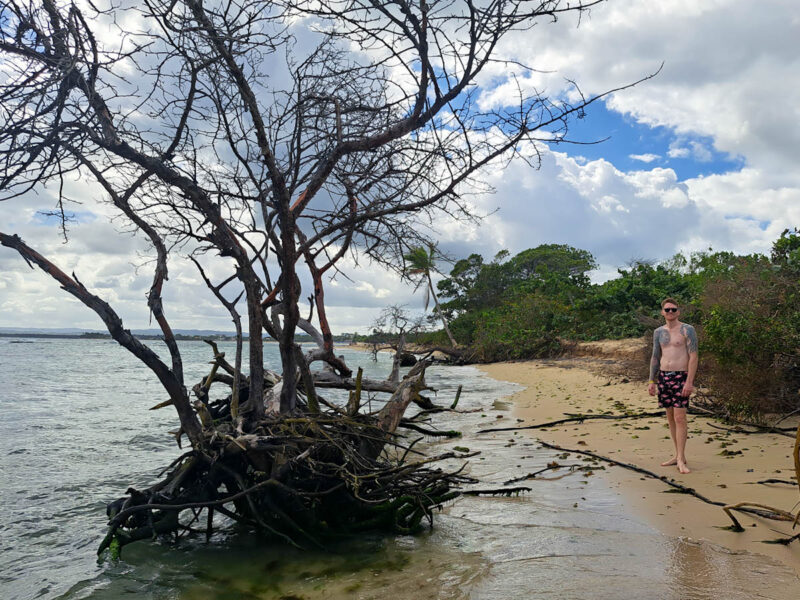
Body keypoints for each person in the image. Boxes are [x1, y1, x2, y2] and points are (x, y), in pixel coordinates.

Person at [648, 298, 698, 474]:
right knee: (670, 418)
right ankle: (678, 456)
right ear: (662, 312)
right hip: (663, 376)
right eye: (667, 310)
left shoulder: (687, 330)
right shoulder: (658, 332)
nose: (670, 312)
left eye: (673, 309)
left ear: (678, 311)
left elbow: (693, 356)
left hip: (681, 377)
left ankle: (681, 460)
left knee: (680, 418)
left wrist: (689, 382)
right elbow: (655, 356)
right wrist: (651, 380)